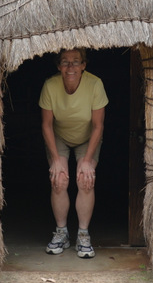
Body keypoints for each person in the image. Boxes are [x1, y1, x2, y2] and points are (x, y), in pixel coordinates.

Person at [39, 48, 108, 258]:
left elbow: (98, 126)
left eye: (76, 62)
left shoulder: (95, 84)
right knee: (59, 178)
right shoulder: (50, 86)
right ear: (58, 66)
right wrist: (56, 162)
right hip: (59, 137)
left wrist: (87, 160)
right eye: (66, 62)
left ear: (84, 65)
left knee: (85, 178)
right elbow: (47, 125)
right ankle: (61, 233)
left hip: (88, 138)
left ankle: (83, 235)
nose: (71, 67)